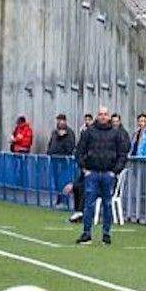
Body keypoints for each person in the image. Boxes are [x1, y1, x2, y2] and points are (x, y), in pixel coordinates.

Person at [75, 105, 127, 245]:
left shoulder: (116, 133)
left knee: (108, 204)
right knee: (89, 204)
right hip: (92, 172)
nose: (103, 116)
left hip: (108, 174)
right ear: (97, 116)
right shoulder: (89, 132)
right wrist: (84, 169)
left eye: (105, 114)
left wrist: (115, 171)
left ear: (109, 116)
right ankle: (87, 233)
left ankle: (106, 234)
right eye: (100, 114)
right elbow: (79, 151)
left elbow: (122, 154)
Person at [48, 114, 78, 213]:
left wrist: (62, 137)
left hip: (65, 162)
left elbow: (70, 147)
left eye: (62, 121)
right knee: (57, 182)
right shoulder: (54, 133)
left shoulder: (69, 133)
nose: (60, 123)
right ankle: (59, 200)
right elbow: (51, 144)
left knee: (64, 182)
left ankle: (65, 202)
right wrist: (49, 152)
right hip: (55, 161)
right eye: (58, 121)